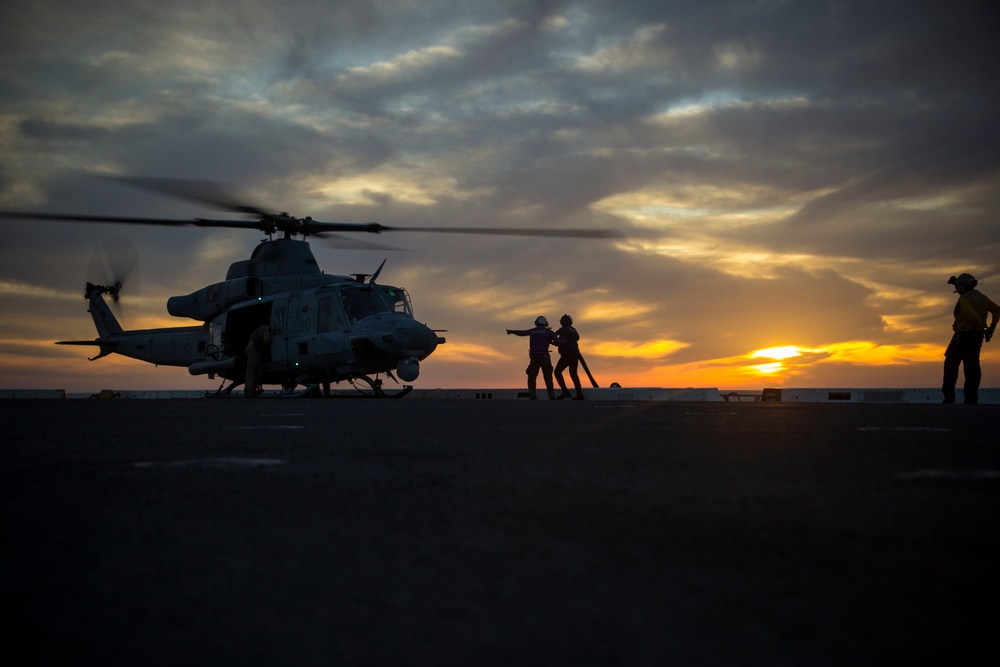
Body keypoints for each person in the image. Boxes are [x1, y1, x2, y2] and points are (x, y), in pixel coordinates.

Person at [941, 273, 998, 404]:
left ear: (962, 286)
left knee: (951, 364)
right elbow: (997, 310)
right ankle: (971, 397)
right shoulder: (982, 298)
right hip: (976, 337)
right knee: (972, 366)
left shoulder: (964, 299)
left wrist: (982, 328)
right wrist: (991, 328)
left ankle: (949, 397)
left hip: (963, 335)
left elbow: (971, 316)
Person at [506, 316, 560, 399]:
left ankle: (533, 395)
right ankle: (551, 395)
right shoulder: (548, 332)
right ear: (545, 323)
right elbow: (558, 341)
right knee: (548, 376)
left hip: (534, 357)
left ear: (536, 322)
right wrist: (567, 341)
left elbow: (522, 333)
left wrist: (512, 331)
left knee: (532, 376)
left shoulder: (533, 331)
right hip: (545, 356)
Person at [553, 314, 584, 400]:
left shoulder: (564, 331)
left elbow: (561, 342)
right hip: (575, 354)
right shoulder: (574, 330)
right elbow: (577, 338)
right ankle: (580, 394)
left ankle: (565, 391)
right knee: (573, 374)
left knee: (557, 372)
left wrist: (553, 342)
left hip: (567, 354)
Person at [245, 323, 272, 397]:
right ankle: (249, 391)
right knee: (253, 369)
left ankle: (253, 388)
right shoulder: (266, 327)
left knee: (258, 369)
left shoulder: (259, 329)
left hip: (252, 347)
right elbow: (266, 340)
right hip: (254, 349)